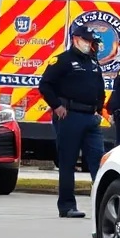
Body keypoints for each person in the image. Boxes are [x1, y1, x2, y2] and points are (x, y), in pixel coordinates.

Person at [39, 23, 105, 219]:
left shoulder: (92, 62)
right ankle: (67, 206)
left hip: (90, 118)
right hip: (70, 116)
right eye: (87, 40)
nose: (90, 44)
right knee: (68, 162)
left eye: (92, 41)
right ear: (76, 39)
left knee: (99, 161)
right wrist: (57, 105)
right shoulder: (62, 61)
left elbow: (99, 88)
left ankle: (102, 204)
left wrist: (99, 110)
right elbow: (45, 85)